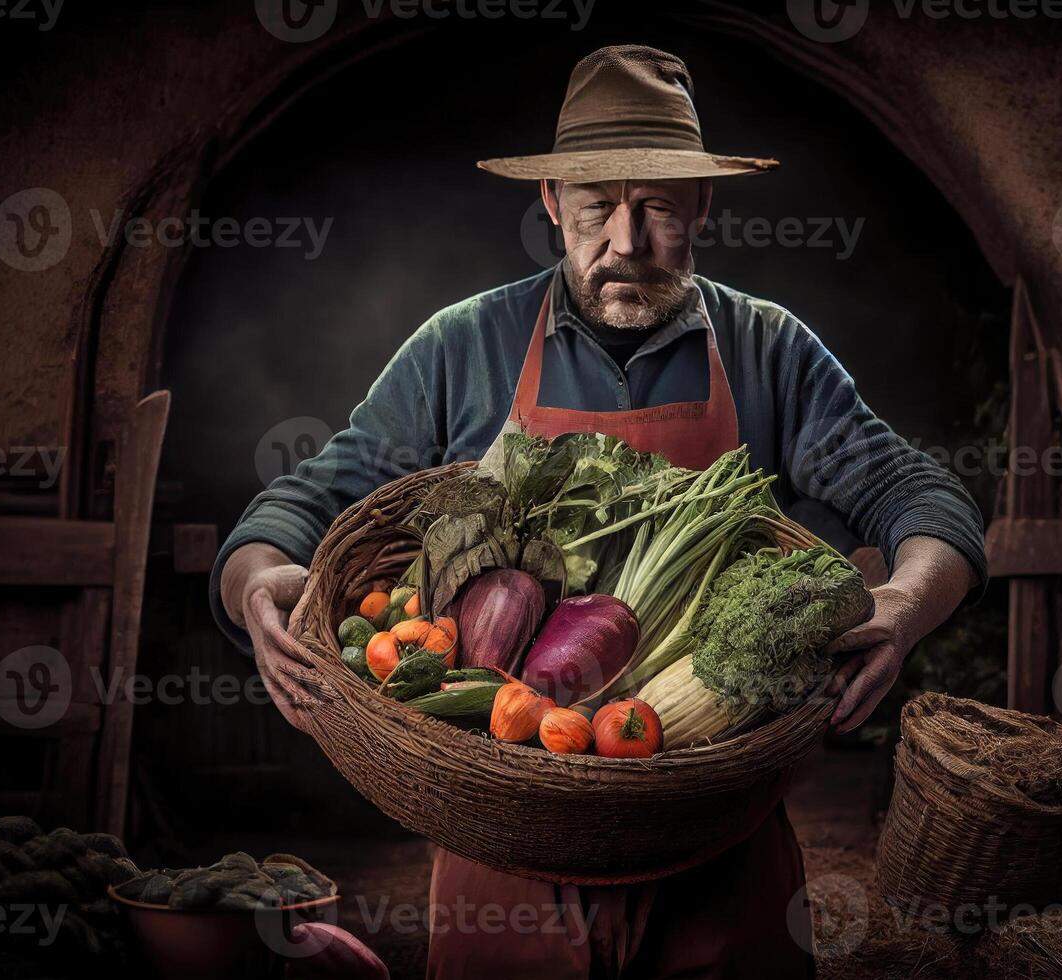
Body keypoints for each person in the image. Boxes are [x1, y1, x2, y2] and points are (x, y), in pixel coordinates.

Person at [213, 44, 985, 979]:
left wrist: (903, 609)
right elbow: (309, 498)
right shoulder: (463, 345)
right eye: (595, 207)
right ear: (551, 205)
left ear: (702, 205)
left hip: (718, 847)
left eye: (658, 205)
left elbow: (921, 496)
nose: (625, 240)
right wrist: (254, 581)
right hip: (503, 843)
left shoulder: (768, 349)